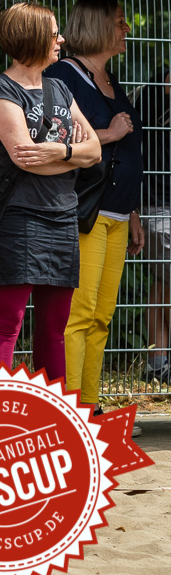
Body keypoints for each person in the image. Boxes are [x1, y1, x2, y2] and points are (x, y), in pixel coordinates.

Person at [0, 2, 100, 381]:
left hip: (63, 214)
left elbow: (94, 151)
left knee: (54, 327)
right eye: (54, 34)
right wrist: (72, 156)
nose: (61, 40)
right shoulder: (3, 91)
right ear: (32, 37)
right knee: (7, 322)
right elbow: (25, 160)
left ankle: (53, 413)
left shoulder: (59, 87)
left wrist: (58, 151)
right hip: (19, 217)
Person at [48, 0, 145, 413]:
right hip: (85, 211)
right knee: (80, 313)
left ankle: (89, 405)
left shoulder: (108, 77)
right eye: (120, 22)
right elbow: (54, 139)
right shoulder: (63, 76)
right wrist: (108, 133)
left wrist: (134, 212)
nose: (127, 29)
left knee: (101, 315)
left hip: (118, 212)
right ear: (98, 26)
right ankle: (70, 407)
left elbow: (124, 155)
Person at [133, 68, 171, 383]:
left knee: (163, 280)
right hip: (159, 204)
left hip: (157, 204)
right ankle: (160, 361)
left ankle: (158, 362)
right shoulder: (156, 87)